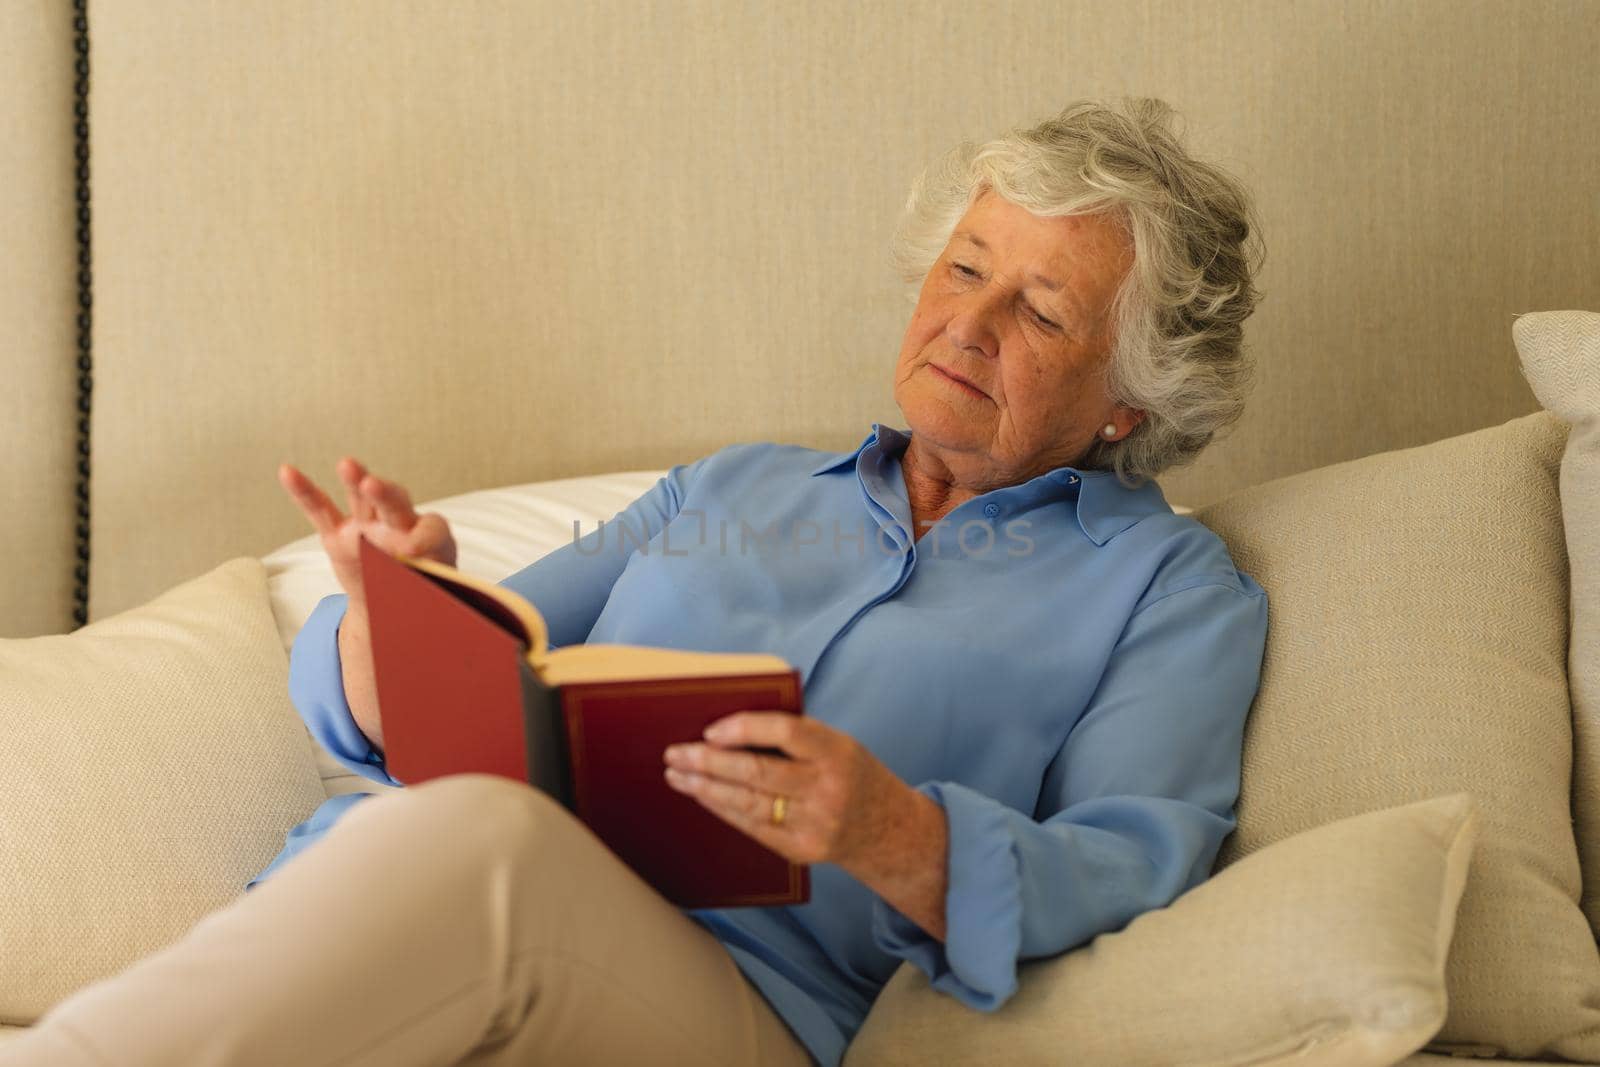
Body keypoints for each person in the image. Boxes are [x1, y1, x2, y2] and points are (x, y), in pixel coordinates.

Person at [2, 97, 1268, 1067]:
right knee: (458, 830)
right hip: (398, 909)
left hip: (735, 1005)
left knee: (493, 843)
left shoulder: (1167, 590)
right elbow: (432, 704)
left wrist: (899, 831)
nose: (967, 321)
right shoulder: (735, 489)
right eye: (962, 266)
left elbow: (1136, 866)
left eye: (1040, 309)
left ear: (1129, 399)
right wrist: (404, 606)